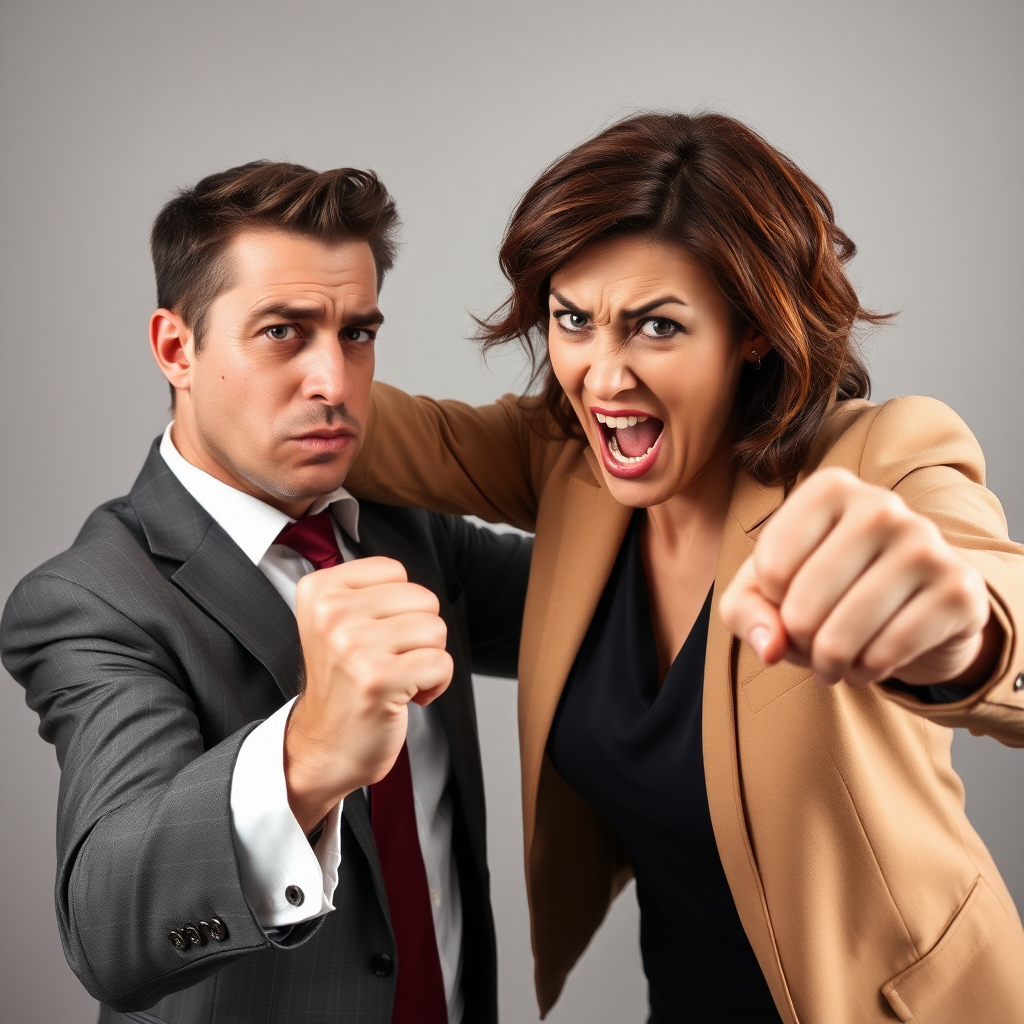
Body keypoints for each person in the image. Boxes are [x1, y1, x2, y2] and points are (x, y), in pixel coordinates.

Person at [343, 112, 1024, 1023]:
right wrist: (234, 346)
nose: (602, 376)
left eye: (657, 327)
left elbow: (991, 589)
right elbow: (356, 424)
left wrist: (969, 636)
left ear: (751, 331)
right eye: (574, 320)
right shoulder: (570, 459)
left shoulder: (878, 457)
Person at [0, 162, 531, 1024]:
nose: (334, 382)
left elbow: (614, 604)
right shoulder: (92, 597)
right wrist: (308, 757)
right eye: (284, 331)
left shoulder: (410, 530)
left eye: (357, 334)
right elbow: (106, 928)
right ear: (177, 348)